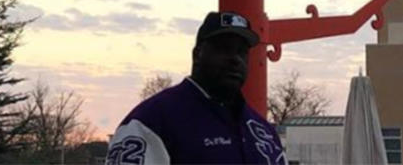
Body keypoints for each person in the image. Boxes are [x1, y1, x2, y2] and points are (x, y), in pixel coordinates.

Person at [106, 11, 287, 165]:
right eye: (224, 49)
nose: (235, 59)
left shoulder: (263, 131)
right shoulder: (153, 120)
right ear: (198, 54)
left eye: (242, 52)